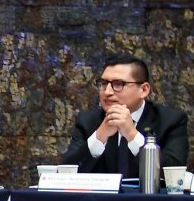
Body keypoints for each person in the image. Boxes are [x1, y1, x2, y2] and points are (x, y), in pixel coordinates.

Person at [61, 54, 189, 176]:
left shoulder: (170, 120)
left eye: (118, 84)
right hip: (101, 199)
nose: (107, 92)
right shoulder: (88, 121)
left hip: (149, 199)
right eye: (104, 83)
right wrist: (99, 137)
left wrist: (132, 135)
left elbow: (173, 174)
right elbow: (66, 172)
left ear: (143, 90)